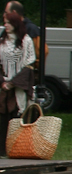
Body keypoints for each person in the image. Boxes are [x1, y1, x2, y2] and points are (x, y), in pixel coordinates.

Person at [1, 11, 37, 141]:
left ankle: (19, 146)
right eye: (5, 23)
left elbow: (29, 64)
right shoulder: (2, 42)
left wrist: (13, 83)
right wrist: (3, 83)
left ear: (15, 24)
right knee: (3, 120)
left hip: (19, 87)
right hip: (3, 88)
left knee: (18, 118)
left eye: (9, 23)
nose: (6, 25)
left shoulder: (26, 41)